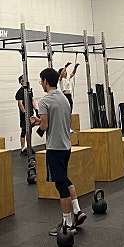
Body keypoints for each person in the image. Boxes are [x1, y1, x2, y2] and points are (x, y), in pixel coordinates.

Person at [31, 68, 87, 236]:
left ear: (45, 81)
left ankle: (67, 224)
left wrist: (37, 126)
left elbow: (45, 126)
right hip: (66, 146)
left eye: (41, 81)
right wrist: (41, 121)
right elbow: (56, 119)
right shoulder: (64, 98)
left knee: (61, 185)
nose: (41, 84)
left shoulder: (44, 101)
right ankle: (77, 211)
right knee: (65, 179)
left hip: (54, 148)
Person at [16, 76, 38, 155]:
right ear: (21, 82)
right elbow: (20, 104)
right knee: (24, 131)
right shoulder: (20, 92)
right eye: (24, 80)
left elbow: (32, 101)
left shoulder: (29, 91)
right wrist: (25, 113)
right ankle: (23, 149)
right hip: (24, 115)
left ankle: (29, 147)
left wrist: (36, 110)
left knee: (30, 131)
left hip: (31, 113)